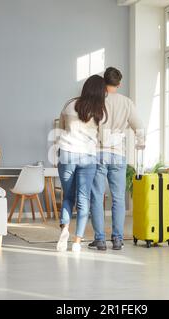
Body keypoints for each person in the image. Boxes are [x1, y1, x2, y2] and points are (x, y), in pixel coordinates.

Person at [89, 67, 145, 251]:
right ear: (119, 84)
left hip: (98, 152)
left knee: (97, 197)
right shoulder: (127, 103)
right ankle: (118, 239)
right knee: (118, 198)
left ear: (104, 82)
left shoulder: (96, 101)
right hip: (118, 154)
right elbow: (140, 127)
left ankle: (100, 240)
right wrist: (140, 144)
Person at [56, 75, 108, 253]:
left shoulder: (69, 105)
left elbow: (60, 128)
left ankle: (64, 230)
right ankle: (77, 242)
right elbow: (102, 139)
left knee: (68, 197)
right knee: (84, 199)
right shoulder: (101, 113)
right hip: (88, 157)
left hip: (67, 154)